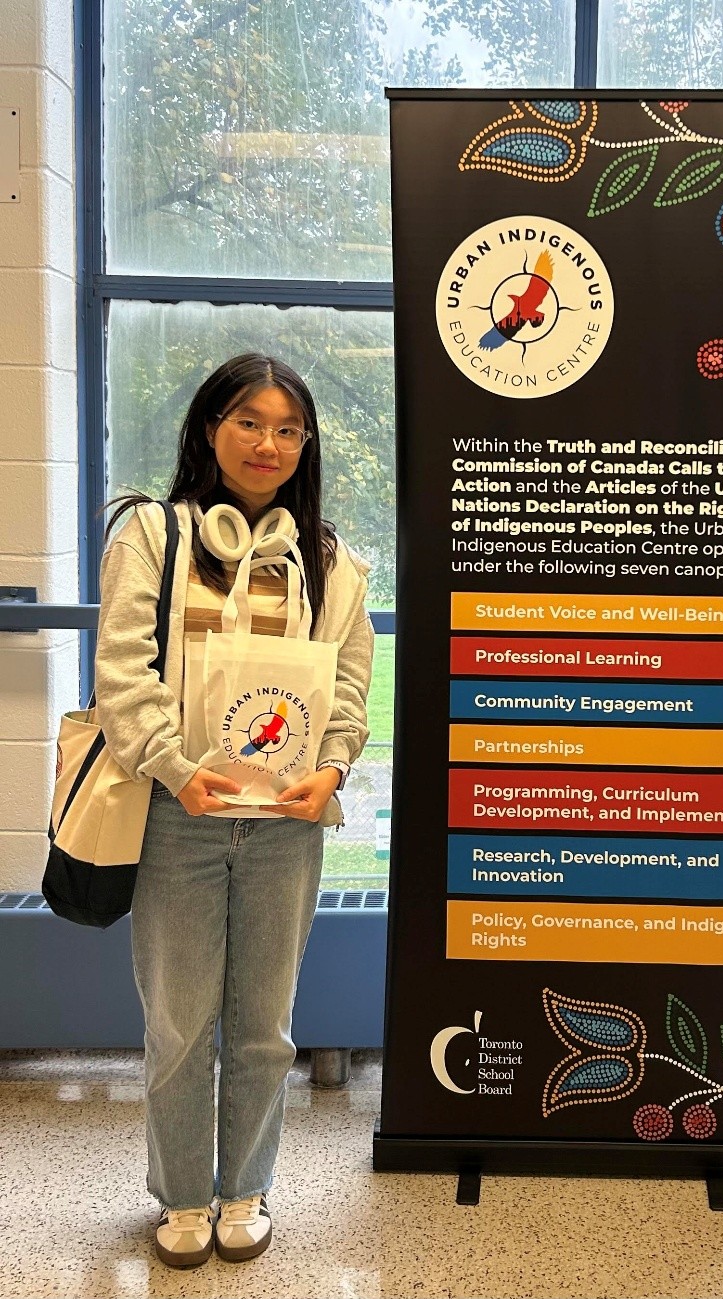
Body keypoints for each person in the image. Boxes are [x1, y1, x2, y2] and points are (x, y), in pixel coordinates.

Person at [95, 354, 374, 1267]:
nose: (269, 443)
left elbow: (348, 688)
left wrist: (330, 771)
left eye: (290, 429)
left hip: (286, 822)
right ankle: (181, 1194)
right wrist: (176, 769)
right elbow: (122, 675)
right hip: (179, 813)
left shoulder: (330, 562)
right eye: (250, 421)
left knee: (264, 1022)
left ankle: (245, 1186)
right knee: (179, 1019)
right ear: (209, 426)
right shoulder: (153, 534)